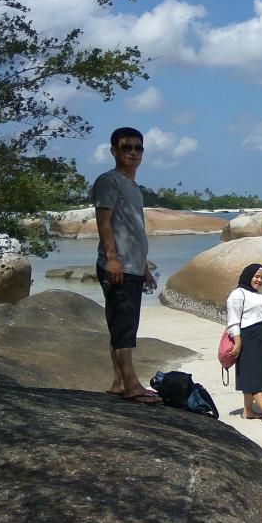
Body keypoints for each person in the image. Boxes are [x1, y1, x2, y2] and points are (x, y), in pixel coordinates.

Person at [93, 127, 160, 404]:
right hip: (117, 266)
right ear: (114, 151)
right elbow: (104, 222)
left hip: (133, 267)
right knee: (125, 329)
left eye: (138, 148)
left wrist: (143, 266)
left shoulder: (132, 185)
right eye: (126, 147)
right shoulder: (109, 181)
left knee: (121, 326)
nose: (133, 153)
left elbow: (133, 228)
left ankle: (119, 382)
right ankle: (132, 386)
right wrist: (112, 258)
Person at [227, 263, 262, 424]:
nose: (259, 280)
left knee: (255, 374)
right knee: (254, 375)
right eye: (256, 276)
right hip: (247, 338)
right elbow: (233, 321)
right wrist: (237, 342)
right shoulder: (238, 294)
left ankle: (248, 411)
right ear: (248, 275)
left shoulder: (261, 296)